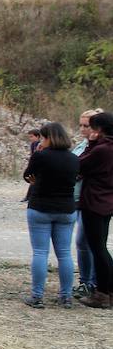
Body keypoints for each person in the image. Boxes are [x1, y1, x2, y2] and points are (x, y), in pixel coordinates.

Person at [22, 122, 80, 309]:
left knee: (40, 252)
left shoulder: (40, 156)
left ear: (47, 138)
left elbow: (27, 175)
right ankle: (66, 296)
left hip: (41, 207)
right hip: (66, 209)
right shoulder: (73, 158)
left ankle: (37, 296)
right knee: (64, 254)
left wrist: (36, 177)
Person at [77, 110, 113, 309]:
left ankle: (102, 293)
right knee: (101, 247)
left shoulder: (101, 149)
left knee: (97, 249)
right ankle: (109, 290)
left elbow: (79, 164)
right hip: (107, 202)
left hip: (94, 202)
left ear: (98, 129)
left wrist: (90, 143)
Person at [74, 108, 104, 298]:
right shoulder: (80, 145)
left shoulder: (99, 148)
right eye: (81, 125)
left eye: (87, 126)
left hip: (91, 200)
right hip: (76, 199)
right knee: (82, 243)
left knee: (88, 242)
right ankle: (85, 281)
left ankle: (91, 282)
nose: (83, 129)